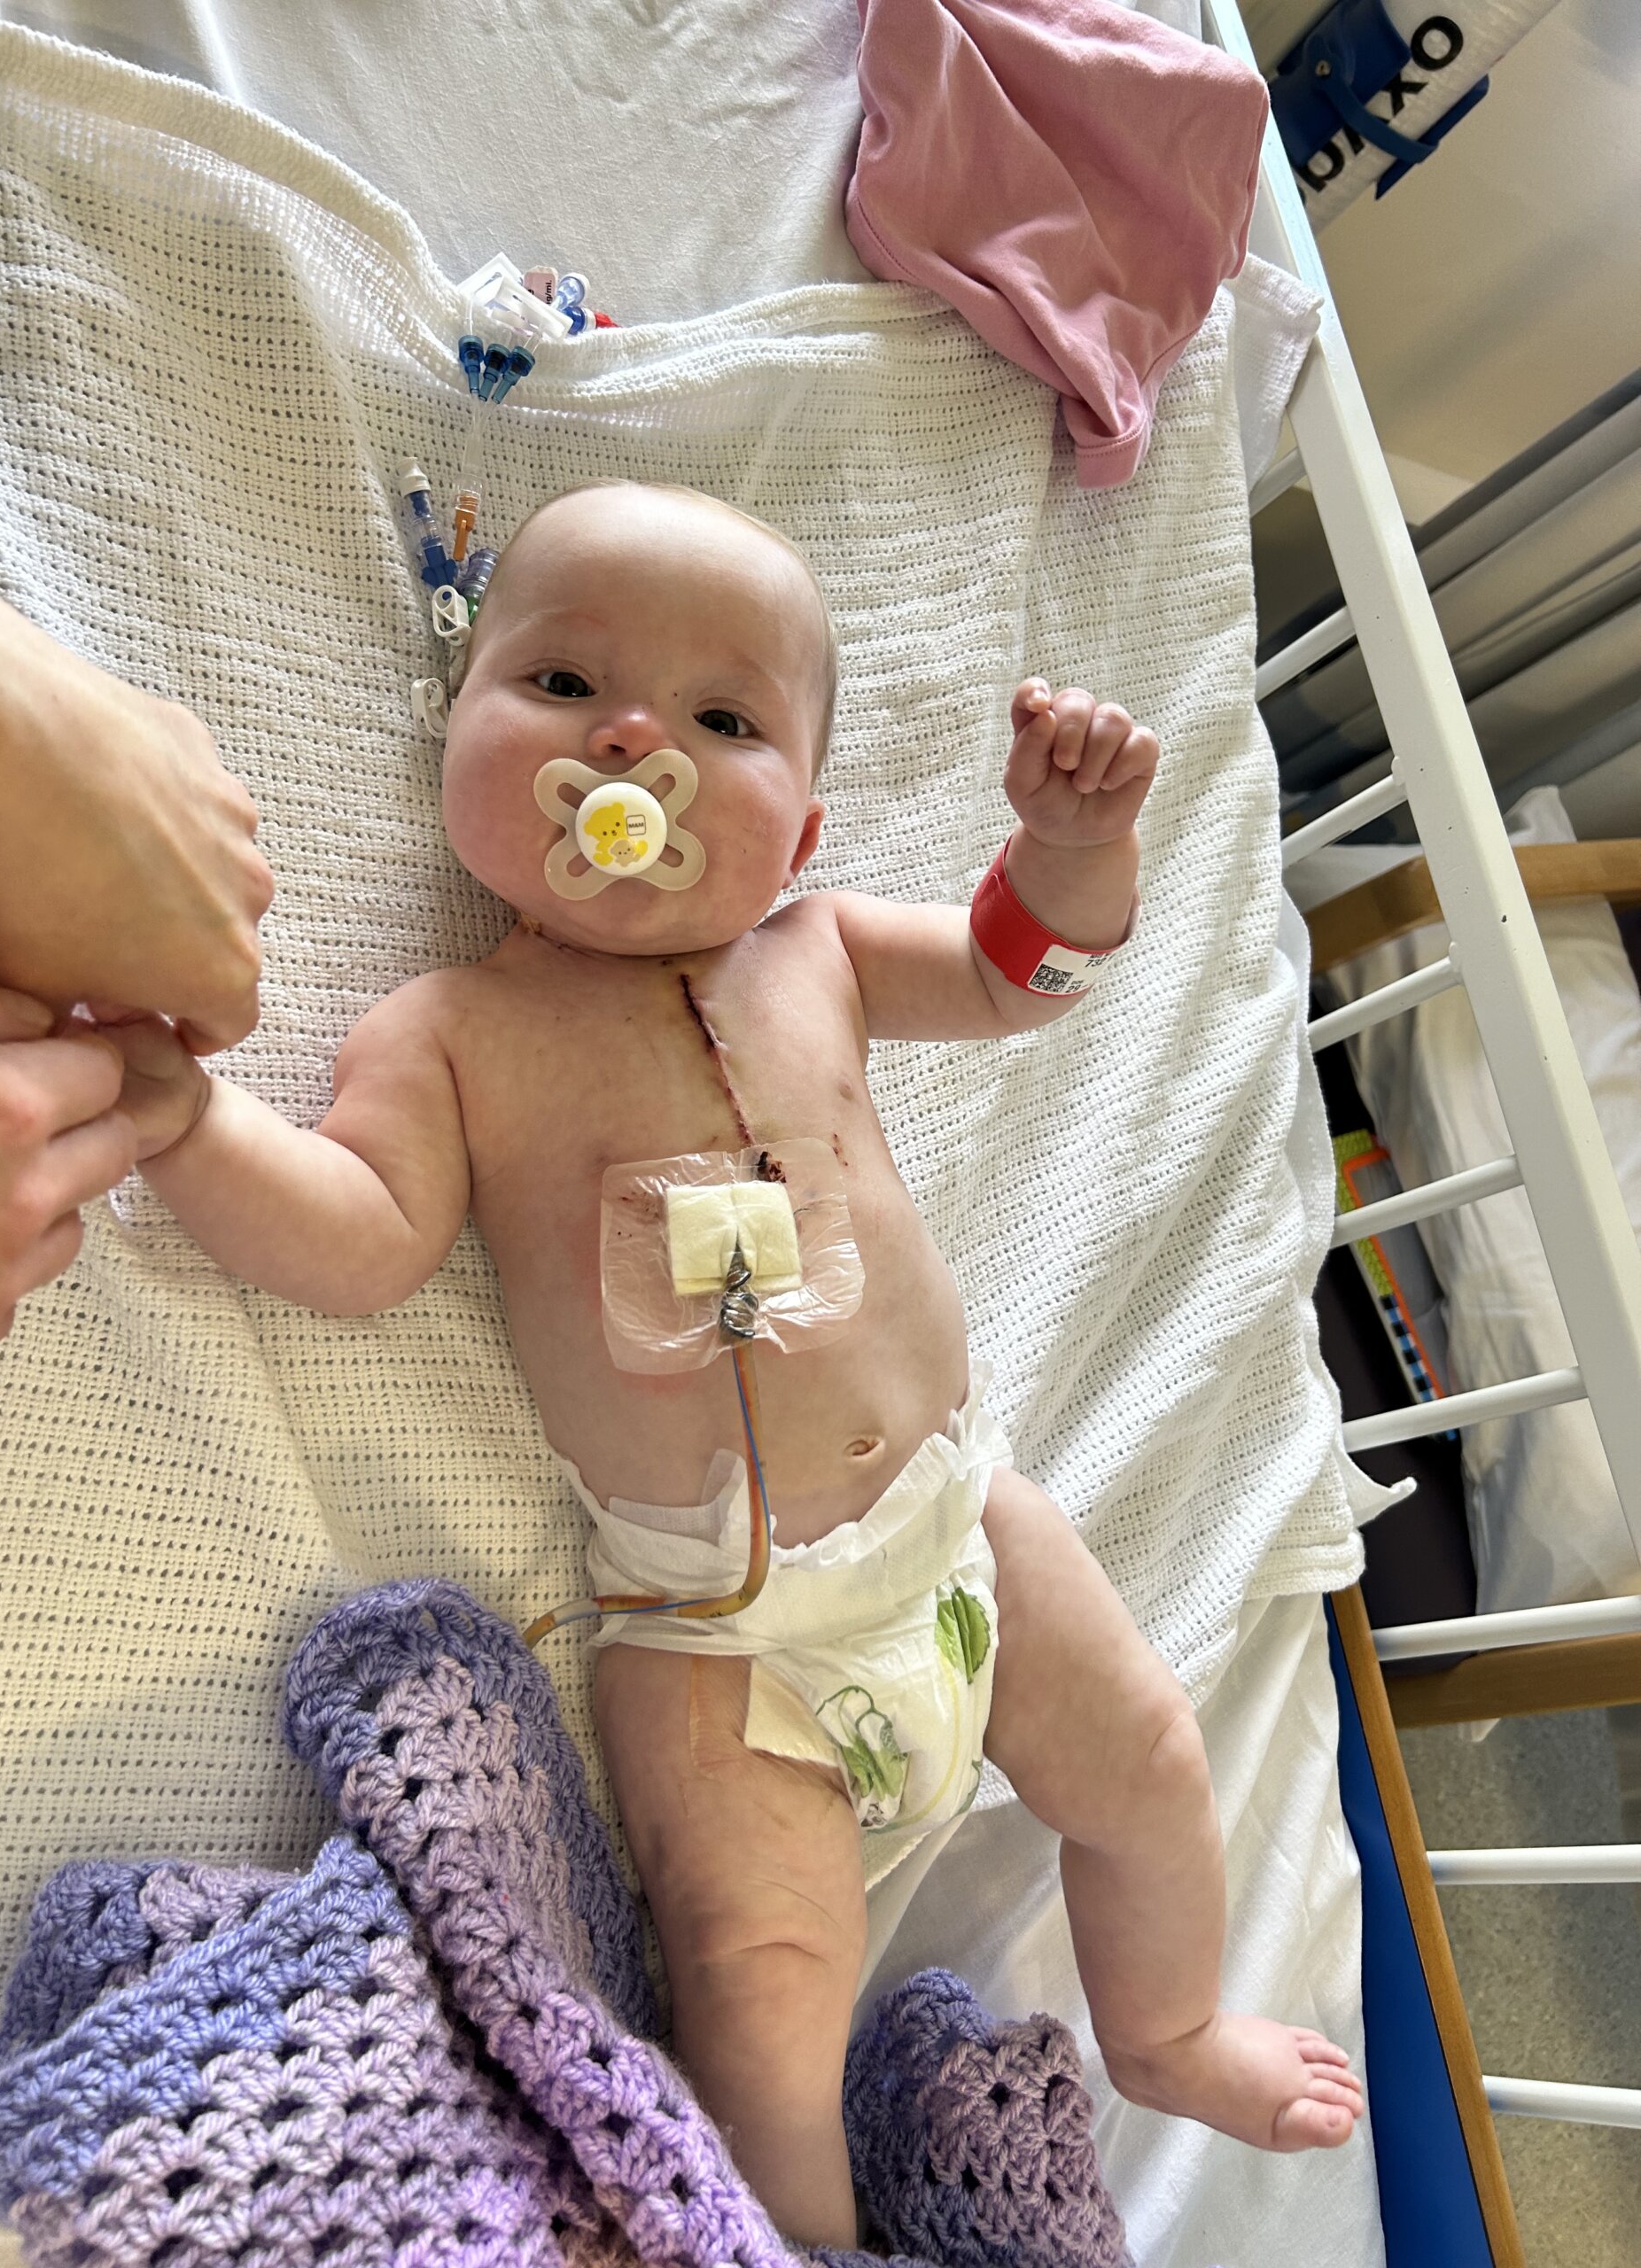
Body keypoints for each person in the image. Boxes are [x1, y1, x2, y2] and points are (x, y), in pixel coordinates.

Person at [102, 483, 1363, 2245]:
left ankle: (1167, 2032)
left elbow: (1023, 976)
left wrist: (1073, 846)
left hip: (960, 1537)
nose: (636, 743)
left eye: (721, 719)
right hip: (716, 1629)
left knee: (1149, 1756)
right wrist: (185, 1120)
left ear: (807, 826)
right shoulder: (455, 1034)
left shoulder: (817, 948)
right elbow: (358, 1236)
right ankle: (797, 2237)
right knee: (761, 1975)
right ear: (456, 740)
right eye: (562, 685)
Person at [0, 569, 272, 1386]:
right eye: (560, 685)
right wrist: (197, 1121)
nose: (580, 745)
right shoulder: (467, 1020)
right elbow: (378, 1241)